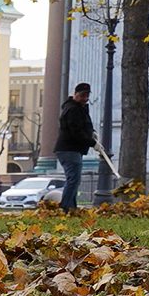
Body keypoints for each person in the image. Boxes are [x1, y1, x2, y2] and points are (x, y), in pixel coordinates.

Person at [54, 82, 98, 213]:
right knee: (73, 179)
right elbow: (76, 132)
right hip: (69, 149)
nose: (85, 99)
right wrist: (92, 142)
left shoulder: (77, 108)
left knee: (74, 180)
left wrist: (92, 132)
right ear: (76, 95)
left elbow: (82, 127)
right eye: (82, 96)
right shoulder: (73, 109)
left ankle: (71, 207)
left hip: (71, 149)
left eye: (86, 96)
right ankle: (66, 208)